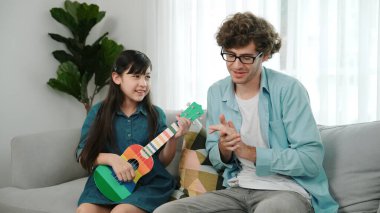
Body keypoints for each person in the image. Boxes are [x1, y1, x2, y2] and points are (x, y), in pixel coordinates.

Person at [154, 12, 338, 213]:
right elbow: (217, 159)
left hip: (287, 190)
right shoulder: (217, 92)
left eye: (247, 57)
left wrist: (249, 151)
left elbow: (310, 160)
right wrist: (225, 148)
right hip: (237, 188)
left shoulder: (289, 89)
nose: (236, 65)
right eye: (230, 55)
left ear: (265, 55)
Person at [75, 50, 191, 213]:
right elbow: (82, 154)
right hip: (111, 180)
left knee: (121, 212)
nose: (144, 83)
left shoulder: (156, 114)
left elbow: (162, 161)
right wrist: (112, 159)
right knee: (85, 211)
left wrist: (173, 139)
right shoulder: (98, 112)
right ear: (117, 78)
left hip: (148, 182)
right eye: (136, 76)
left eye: (147, 77)